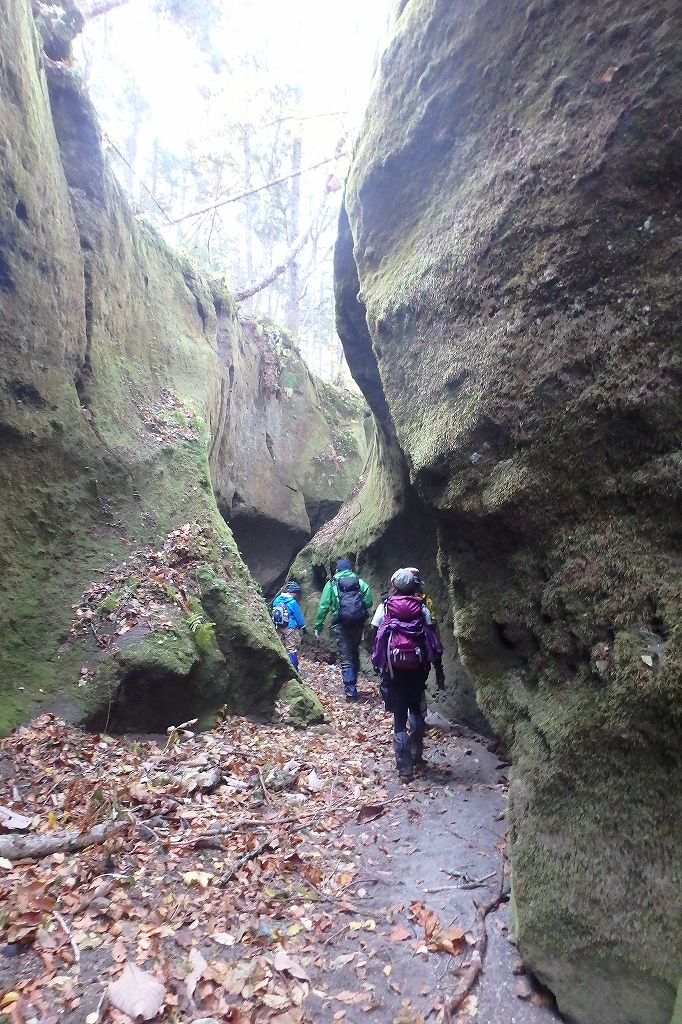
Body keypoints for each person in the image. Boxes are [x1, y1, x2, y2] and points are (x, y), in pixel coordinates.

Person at [371, 568, 443, 781]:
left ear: (394, 585)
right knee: (417, 709)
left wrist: (378, 662)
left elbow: (375, 635)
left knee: (399, 718)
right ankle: (416, 752)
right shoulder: (422, 608)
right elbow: (432, 637)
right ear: (414, 586)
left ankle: (405, 770)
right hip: (418, 669)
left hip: (394, 671)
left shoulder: (385, 607)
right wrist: (437, 667)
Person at [314, 558, 373, 700]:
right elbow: (369, 600)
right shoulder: (359, 582)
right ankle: (355, 679)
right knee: (354, 651)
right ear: (350, 569)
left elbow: (323, 606)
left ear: (337, 570)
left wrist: (319, 625)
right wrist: (357, 609)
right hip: (358, 623)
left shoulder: (332, 584)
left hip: (341, 624)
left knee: (346, 657)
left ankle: (350, 691)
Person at [272, 581, 306, 670]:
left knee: (279, 644)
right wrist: (302, 626)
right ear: (294, 593)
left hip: (278, 625)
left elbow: (274, 608)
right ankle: (294, 666)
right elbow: (297, 615)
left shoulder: (278, 599)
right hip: (289, 626)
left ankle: (278, 664)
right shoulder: (292, 602)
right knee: (291, 647)